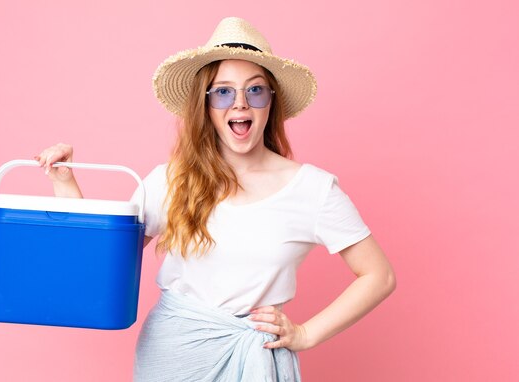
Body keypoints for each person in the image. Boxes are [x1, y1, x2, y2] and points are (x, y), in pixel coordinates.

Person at [35, 16, 395, 382]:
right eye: (223, 91)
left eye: (255, 90)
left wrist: (306, 334)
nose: (239, 103)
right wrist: (65, 182)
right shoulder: (171, 180)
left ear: (271, 102)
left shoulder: (313, 189)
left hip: (256, 352)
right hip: (172, 357)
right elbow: (98, 262)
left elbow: (378, 276)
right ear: (205, 105)